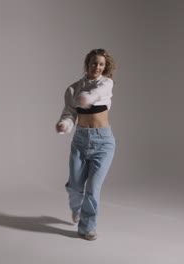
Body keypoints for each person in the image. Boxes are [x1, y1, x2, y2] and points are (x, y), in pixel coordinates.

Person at [55, 48, 116, 241]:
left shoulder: (106, 83)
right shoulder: (73, 89)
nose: (97, 67)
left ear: (105, 67)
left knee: (93, 188)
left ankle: (87, 227)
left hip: (103, 141)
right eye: (94, 63)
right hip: (80, 140)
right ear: (87, 64)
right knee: (75, 186)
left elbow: (98, 93)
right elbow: (69, 113)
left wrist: (88, 98)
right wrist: (65, 124)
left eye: (101, 64)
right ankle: (76, 207)